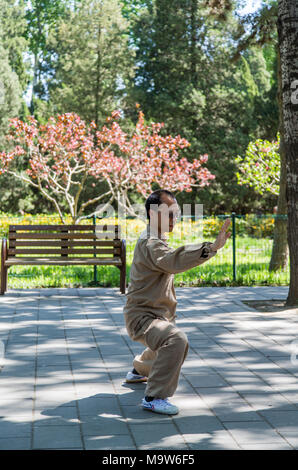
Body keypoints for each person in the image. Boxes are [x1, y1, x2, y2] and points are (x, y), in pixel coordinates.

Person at [123, 189, 231, 415]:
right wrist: (210, 248)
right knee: (176, 340)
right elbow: (173, 260)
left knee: (165, 340)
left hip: (155, 317)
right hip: (142, 319)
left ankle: (138, 370)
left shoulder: (154, 238)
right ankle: (154, 397)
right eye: (169, 214)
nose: (174, 219)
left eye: (176, 213)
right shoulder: (151, 243)